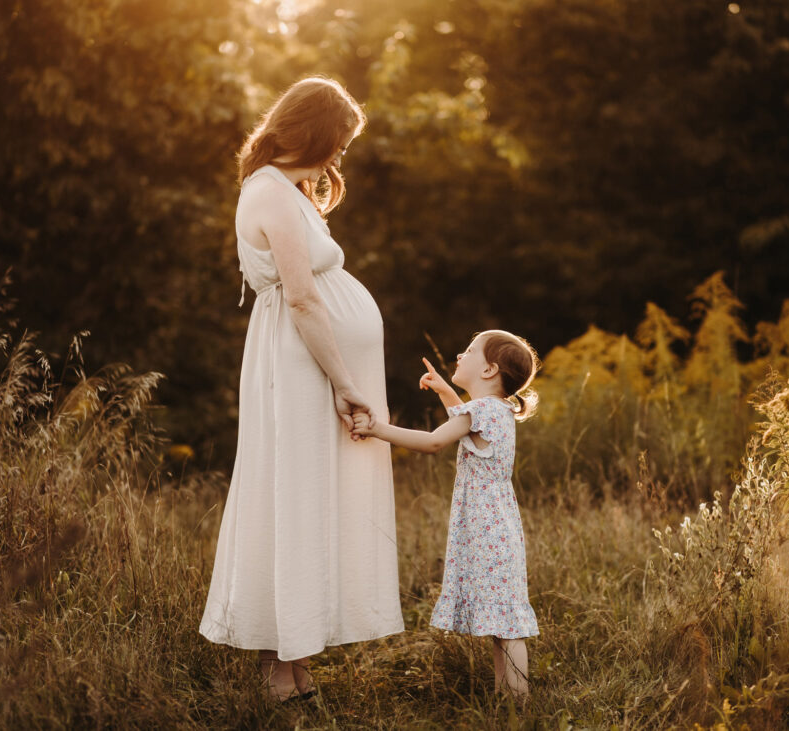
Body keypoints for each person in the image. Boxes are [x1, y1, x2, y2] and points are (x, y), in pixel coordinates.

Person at [199, 76, 404, 702]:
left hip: (310, 359)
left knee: (311, 495)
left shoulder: (287, 189)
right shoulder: (267, 194)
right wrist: (345, 382)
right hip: (299, 362)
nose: (340, 155)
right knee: (290, 492)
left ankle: (298, 648)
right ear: (316, 131)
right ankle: (278, 661)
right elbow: (303, 295)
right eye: (338, 141)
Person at [351, 330, 541, 697]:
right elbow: (466, 423)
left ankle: (519, 702)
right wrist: (444, 391)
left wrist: (377, 428)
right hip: (499, 528)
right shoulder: (494, 411)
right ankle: (510, 699)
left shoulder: (481, 411)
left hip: (488, 532)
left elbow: (434, 441)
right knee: (505, 621)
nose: (459, 354)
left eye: (469, 350)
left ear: (488, 370)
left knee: (508, 624)